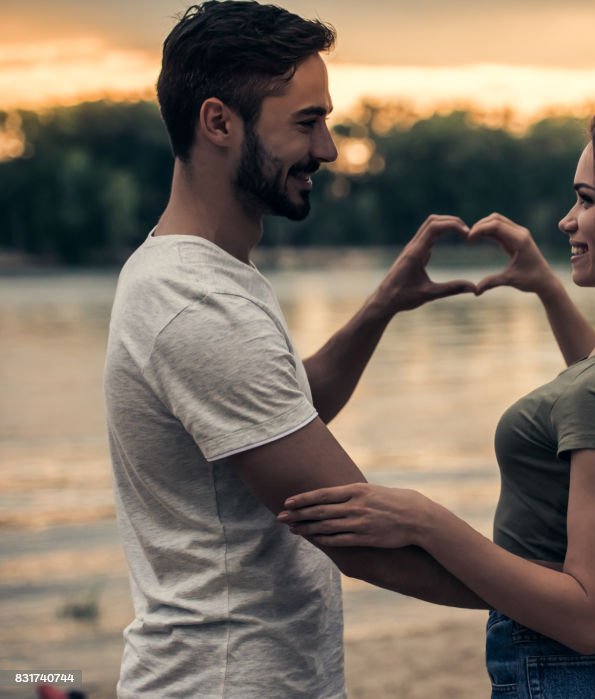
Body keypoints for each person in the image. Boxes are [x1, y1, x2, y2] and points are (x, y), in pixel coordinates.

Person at [280, 101, 595, 699]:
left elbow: (587, 616)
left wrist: (424, 520)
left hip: (566, 676)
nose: (567, 221)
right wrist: (544, 287)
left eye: (586, 200)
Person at [104, 2, 486, 698]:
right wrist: (554, 597)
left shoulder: (202, 275)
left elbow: (279, 414)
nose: (329, 150)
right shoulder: (198, 303)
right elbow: (353, 531)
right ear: (219, 122)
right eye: (307, 123)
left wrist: (381, 307)